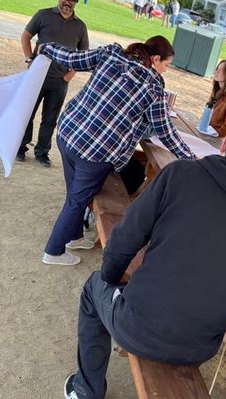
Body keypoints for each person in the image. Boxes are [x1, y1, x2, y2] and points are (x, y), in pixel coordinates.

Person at [62, 119, 226, 399]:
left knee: (93, 287)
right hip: (200, 346)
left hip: (138, 324)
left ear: (223, 145)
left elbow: (125, 237)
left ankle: (86, 390)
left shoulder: (180, 173)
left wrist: (111, 280)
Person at [38, 36, 195, 266]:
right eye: (166, 65)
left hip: (69, 132)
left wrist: (47, 47)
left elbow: (71, 58)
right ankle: (53, 251)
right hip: (97, 152)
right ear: (155, 59)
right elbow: (166, 133)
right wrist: (191, 159)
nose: (165, 70)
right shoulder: (153, 87)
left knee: (74, 193)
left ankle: (74, 237)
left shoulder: (111, 54)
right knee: (77, 200)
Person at [16, 0, 89, 167]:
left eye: (73, 0)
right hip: (37, 77)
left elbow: (83, 54)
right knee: (28, 113)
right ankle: (21, 147)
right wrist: (29, 59)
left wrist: (70, 75)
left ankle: (42, 152)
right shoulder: (43, 15)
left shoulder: (80, 27)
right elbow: (26, 35)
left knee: (50, 119)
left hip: (60, 81)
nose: (68, 2)